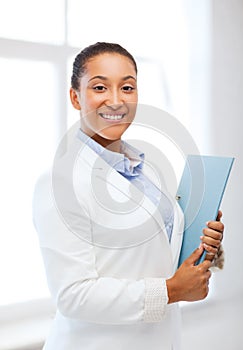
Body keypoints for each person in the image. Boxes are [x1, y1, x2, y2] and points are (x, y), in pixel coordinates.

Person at [33, 42, 224, 350]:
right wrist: (172, 291)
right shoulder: (58, 182)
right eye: (99, 87)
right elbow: (73, 295)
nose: (116, 100)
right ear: (75, 97)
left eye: (127, 87)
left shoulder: (147, 172)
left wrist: (203, 244)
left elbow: (154, 256)